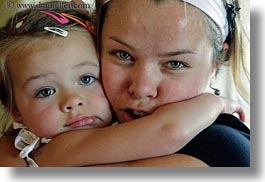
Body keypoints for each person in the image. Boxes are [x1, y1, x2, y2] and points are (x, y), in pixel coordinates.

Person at [0, 0, 250, 167]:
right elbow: (168, 131)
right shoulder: (53, 146)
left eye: (175, 63)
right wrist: (214, 102)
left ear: (217, 62)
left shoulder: (223, 147)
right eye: (123, 55)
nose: (141, 88)